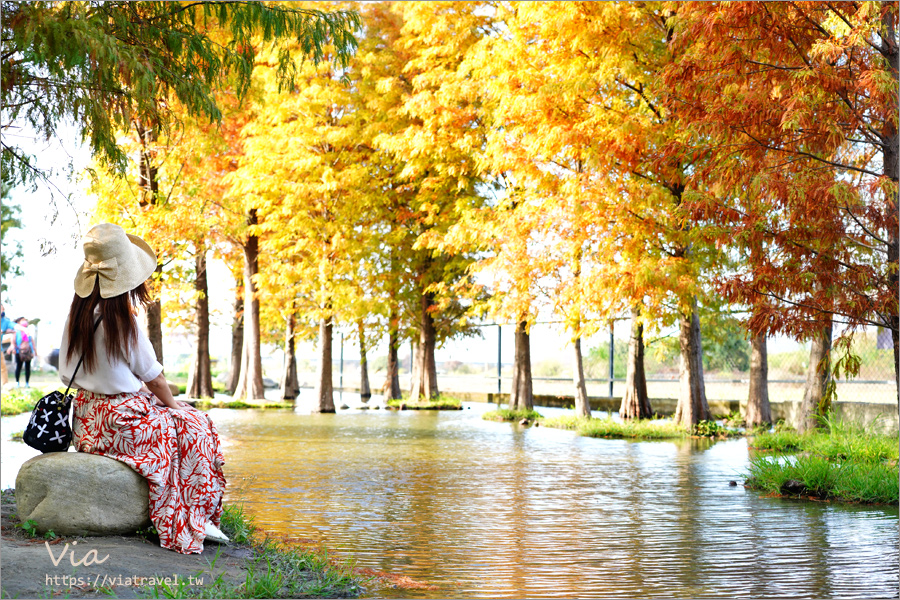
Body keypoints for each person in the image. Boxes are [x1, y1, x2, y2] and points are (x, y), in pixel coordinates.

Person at [59, 223, 228, 554]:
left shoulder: (75, 316)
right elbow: (154, 378)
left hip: (88, 421)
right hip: (123, 422)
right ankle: (192, 515)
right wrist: (174, 405)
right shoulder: (122, 320)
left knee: (180, 423)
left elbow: (67, 376)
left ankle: (190, 511)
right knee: (194, 424)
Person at [6, 317, 35, 387]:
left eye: (25, 320)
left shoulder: (28, 332)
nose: (24, 322)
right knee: (18, 367)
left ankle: (27, 383)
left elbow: (32, 342)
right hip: (19, 352)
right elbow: (13, 342)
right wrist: (12, 349)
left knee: (28, 368)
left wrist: (34, 351)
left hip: (28, 352)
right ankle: (17, 382)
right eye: (22, 321)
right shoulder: (16, 332)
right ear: (18, 322)